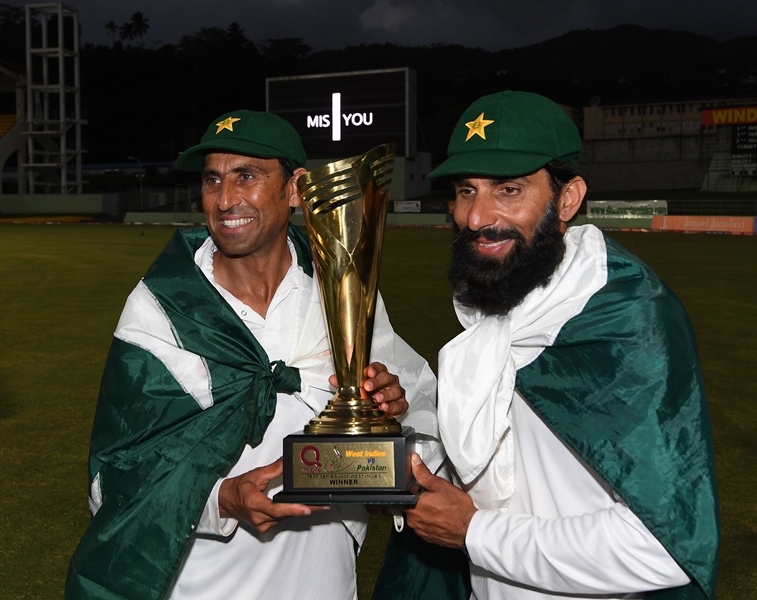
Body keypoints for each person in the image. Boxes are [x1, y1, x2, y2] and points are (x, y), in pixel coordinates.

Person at [65, 109, 442, 600]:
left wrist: (395, 419)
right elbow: (110, 479)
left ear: (295, 189)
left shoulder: (340, 292)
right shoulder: (161, 308)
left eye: (247, 176)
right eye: (212, 180)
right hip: (200, 585)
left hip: (324, 584)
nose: (225, 200)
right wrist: (221, 499)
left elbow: (427, 420)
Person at [401, 91, 720, 600]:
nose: (477, 216)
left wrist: (477, 534)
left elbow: (662, 548)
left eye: (508, 189)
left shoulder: (626, 321)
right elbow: (497, 470)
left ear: (567, 199)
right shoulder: (497, 307)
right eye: (465, 190)